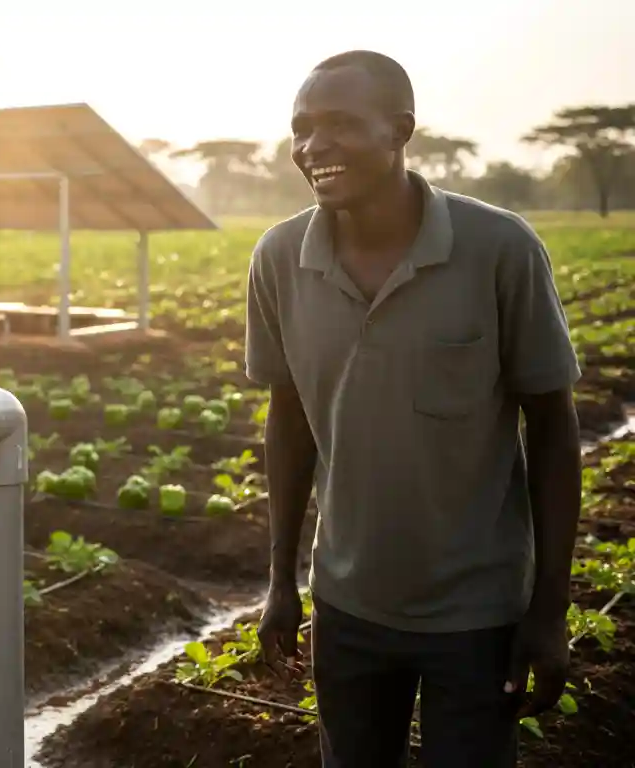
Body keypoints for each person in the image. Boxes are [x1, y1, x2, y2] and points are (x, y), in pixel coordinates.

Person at [245, 50, 582, 767]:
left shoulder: (499, 248)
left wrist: (549, 609)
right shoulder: (278, 259)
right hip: (348, 605)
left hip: (479, 613)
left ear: (401, 130)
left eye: (340, 123)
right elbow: (290, 417)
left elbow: (552, 430)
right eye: (302, 127)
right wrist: (281, 580)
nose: (313, 145)